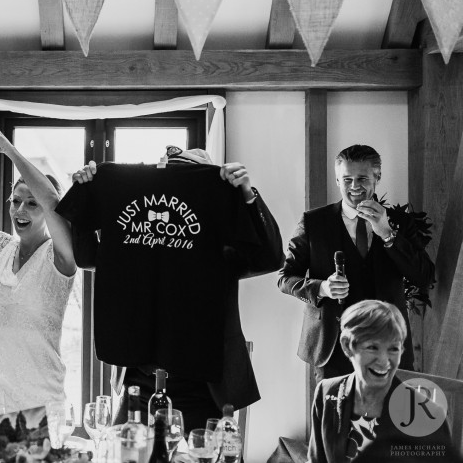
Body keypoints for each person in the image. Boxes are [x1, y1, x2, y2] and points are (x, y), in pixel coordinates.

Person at [70, 147, 284, 432]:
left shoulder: (220, 233)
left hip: (203, 387)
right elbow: (86, 259)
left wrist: (246, 194)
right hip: (139, 380)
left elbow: (270, 258)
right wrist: (85, 198)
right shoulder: (136, 220)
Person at [279, 144, 435, 382]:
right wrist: (321, 288)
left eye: (362, 178)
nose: (354, 186)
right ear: (337, 179)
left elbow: (424, 276)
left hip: (388, 344)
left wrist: (386, 234)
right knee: (336, 418)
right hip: (332, 347)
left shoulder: (400, 223)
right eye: (346, 179)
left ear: (377, 177)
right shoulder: (314, 222)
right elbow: (286, 277)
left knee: (390, 417)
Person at [0, 128, 77, 411]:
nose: (19, 211)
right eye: (15, 202)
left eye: (31, 204)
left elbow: (53, 201)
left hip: (37, 397)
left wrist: (9, 150)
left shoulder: (61, 256)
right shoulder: (4, 247)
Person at [308, 299, 455, 463]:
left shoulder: (428, 417)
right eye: (372, 347)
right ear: (347, 346)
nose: (384, 361)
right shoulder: (327, 392)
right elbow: (316, 460)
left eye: (393, 349)